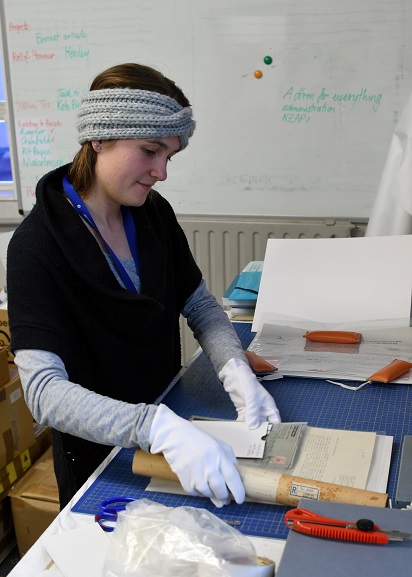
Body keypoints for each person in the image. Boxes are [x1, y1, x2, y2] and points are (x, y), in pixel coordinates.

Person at [7, 63, 281, 509]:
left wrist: (234, 369)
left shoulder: (152, 213)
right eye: (150, 151)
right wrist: (155, 428)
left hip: (175, 419)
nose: (161, 172)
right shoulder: (35, 247)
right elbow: (44, 393)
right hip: (105, 458)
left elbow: (199, 304)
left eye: (168, 156)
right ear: (99, 138)